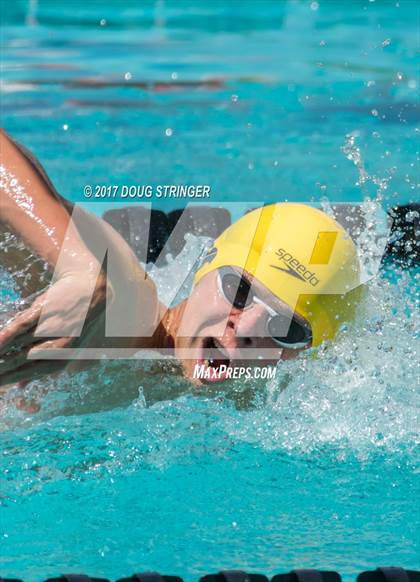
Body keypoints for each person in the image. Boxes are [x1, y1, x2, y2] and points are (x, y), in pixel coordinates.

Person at [0, 129, 364, 389]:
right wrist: (85, 269)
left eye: (286, 329)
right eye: (238, 289)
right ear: (206, 261)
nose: (248, 327)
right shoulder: (128, 316)